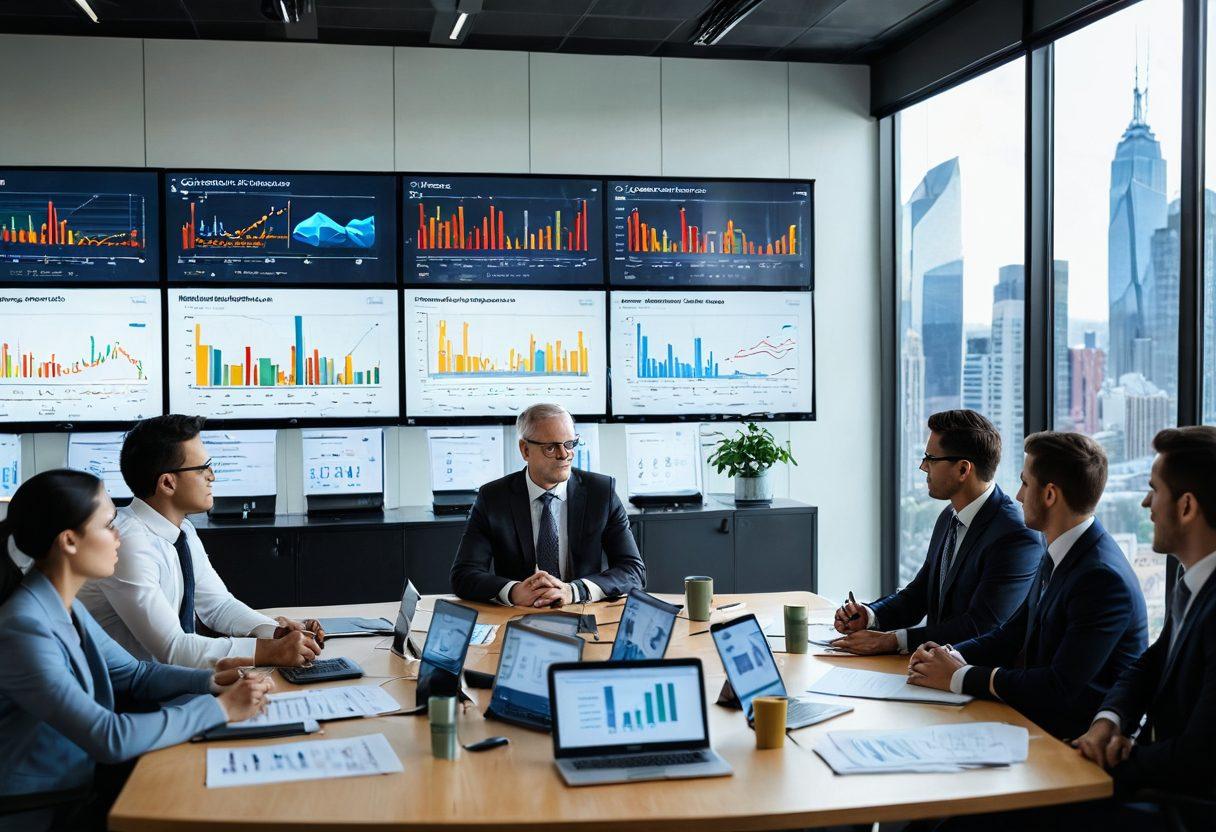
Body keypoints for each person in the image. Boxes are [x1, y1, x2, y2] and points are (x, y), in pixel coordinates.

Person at [0, 469, 272, 832]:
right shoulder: (24, 627)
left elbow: (135, 674)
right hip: (49, 808)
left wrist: (210, 681)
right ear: (68, 541)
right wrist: (221, 707)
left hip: (84, 784)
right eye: (109, 525)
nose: (118, 538)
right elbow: (109, 737)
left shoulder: (62, 604)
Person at [907, 431, 1148, 742]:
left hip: (1073, 743)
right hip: (1036, 722)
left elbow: (1057, 686)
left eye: (1025, 483)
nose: (1018, 495)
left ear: (1049, 495)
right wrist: (948, 655)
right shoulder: (1062, 549)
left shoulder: (1100, 578)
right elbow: (1011, 634)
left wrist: (958, 676)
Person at [78, 415, 322, 670]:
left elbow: (218, 606)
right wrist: (270, 651)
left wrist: (276, 633)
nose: (212, 476)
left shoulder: (183, 530)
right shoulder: (126, 543)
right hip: (128, 694)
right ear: (168, 483)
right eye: (202, 468)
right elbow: (173, 648)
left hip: (164, 683)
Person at [1066, 426, 1216, 828]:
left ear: (1186, 507)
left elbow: (1198, 757)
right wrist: (1107, 723)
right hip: (1155, 782)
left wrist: (1110, 759)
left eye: (1154, 489)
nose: (1147, 503)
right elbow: (1149, 666)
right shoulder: (1194, 584)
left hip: (1184, 809)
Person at [833, 410, 1041, 655]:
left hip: (972, 679)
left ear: (963, 470)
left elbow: (981, 626)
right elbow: (919, 594)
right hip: (932, 670)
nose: (923, 467)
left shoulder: (1015, 535)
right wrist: (869, 615)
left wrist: (892, 641)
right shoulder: (950, 516)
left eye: (931, 458)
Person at [451, 403, 645, 606]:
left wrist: (575, 591)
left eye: (569, 444)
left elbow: (633, 571)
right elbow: (464, 575)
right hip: (519, 616)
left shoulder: (601, 492)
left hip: (584, 613)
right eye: (551, 448)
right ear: (525, 450)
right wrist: (514, 591)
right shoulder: (493, 498)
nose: (564, 454)